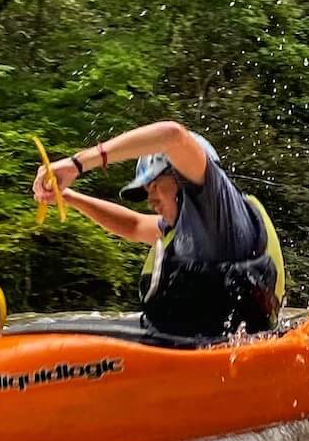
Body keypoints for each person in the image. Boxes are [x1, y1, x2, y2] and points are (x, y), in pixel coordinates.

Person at [32, 120, 286, 340]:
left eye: (154, 186)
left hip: (232, 352)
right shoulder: (182, 227)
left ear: (181, 178)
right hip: (192, 343)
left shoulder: (218, 207)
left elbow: (172, 135)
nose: (150, 199)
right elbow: (133, 225)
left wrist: (77, 164)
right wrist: (70, 197)